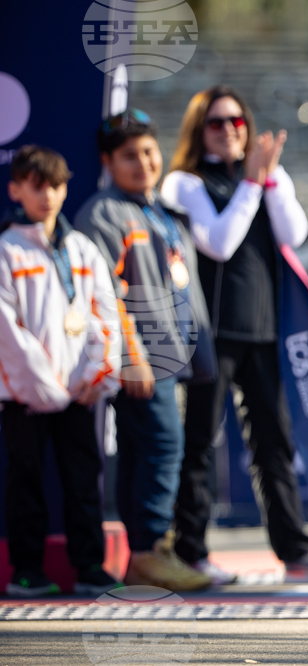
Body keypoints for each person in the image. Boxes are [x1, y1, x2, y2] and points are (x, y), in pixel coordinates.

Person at [161, 85, 308, 584]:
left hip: (265, 331)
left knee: (274, 443)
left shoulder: (265, 177)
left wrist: (268, 182)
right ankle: (191, 552)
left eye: (237, 122)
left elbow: (295, 234)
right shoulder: (183, 183)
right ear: (199, 130)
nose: (230, 131)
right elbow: (218, 243)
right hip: (210, 333)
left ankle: (295, 552)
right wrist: (251, 183)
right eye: (218, 123)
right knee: (199, 441)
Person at [75, 110, 216, 591]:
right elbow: (105, 295)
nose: (143, 162)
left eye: (149, 151)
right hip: (142, 359)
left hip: (173, 355)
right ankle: (149, 551)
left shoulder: (161, 211)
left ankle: (145, 553)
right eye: (129, 155)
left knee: (143, 452)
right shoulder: (101, 214)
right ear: (108, 161)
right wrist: (131, 356)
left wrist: (201, 356)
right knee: (161, 446)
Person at [1, 146, 121, 597]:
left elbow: (105, 314)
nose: (48, 195)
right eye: (37, 185)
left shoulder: (82, 248)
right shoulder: (6, 248)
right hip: (24, 396)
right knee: (25, 480)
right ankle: (27, 571)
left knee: (84, 478)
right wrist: (44, 388)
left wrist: (97, 375)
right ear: (16, 190)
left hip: (81, 391)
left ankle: (90, 565)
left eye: (55, 184)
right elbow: (7, 331)